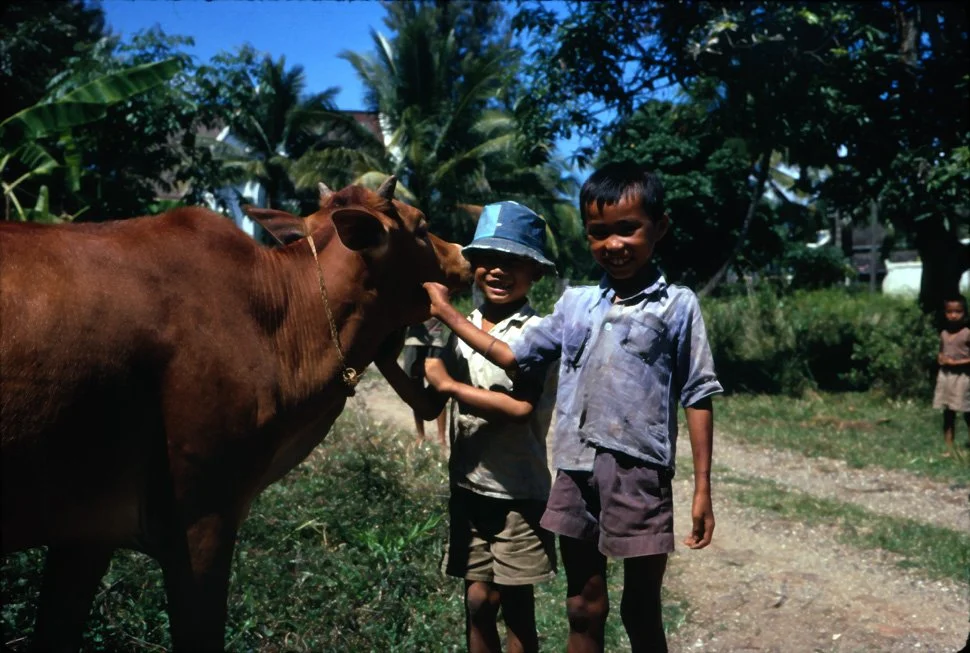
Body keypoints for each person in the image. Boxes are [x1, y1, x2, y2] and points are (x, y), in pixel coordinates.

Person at [424, 161, 723, 653]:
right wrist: (446, 312)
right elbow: (510, 353)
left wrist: (704, 488)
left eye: (627, 229)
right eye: (598, 233)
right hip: (574, 472)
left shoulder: (678, 305)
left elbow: (697, 392)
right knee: (583, 606)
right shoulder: (574, 304)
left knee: (641, 607)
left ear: (660, 226)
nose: (613, 244)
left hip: (639, 474)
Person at [380, 200, 560, 653]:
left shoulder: (538, 333)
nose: (499, 272)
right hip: (468, 488)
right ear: (474, 266)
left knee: (517, 607)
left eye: (514, 262)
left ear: (535, 272)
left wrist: (453, 384)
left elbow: (521, 408)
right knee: (478, 601)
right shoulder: (454, 333)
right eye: (490, 261)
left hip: (520, 494)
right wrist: (385, 364)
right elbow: (426, 404)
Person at [402, 318, 449, 447]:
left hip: (436, 340)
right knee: (415, 390)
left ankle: (441, 438)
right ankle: (421, 435)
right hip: (413, 340)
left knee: (439, 388)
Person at [933, 295, 970, 456]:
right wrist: (940, 358)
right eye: (949, 312)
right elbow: (942, 351)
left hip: (962, 378)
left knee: (967, 412)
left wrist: (957, 363)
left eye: (958, 311)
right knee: (948, 413)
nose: (953, 315)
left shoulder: (967, 333)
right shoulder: (944, 333)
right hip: (945, 377)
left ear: (965, 313)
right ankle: (949, 448)